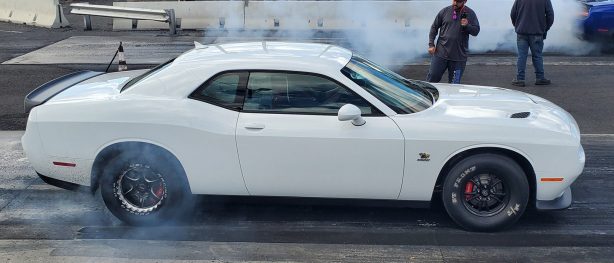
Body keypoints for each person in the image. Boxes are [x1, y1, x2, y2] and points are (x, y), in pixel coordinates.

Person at [427, 0, 480, 84]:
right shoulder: (444, 11)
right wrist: (431, 44)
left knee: (454, 85)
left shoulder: (470, 13)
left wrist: (467, 26)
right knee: (432, 80)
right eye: (454, 0)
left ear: (465, 1)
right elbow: (434, 27)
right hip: (440, 54)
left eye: (458, 1)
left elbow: (476, 31)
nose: (455, 3)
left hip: (459, 58)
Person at [510, 0, 554, 87]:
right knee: (537, 56)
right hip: (537, 32)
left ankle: (520, 79)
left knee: (522, 56)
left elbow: (512, 14)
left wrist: (517, 25)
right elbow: (550, 16)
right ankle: (540, 78)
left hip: (522, 32)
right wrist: (545, 28)